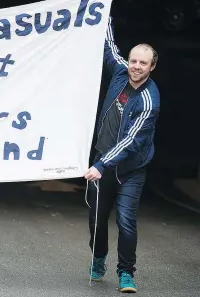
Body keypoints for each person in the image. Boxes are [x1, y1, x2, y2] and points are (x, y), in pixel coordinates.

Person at [83, 16, 160, 293]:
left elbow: (130, 141)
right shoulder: (120, 72)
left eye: (143, 63)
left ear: (152, 67)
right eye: (134, 61)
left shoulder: (149, 101)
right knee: (96, 219)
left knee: (126, 222)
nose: (136, 67)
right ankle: (99, 256)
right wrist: (104, 7)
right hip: (102, 164)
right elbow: (109, 45)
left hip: (129, 170)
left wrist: (101, 164)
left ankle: (126, 273)